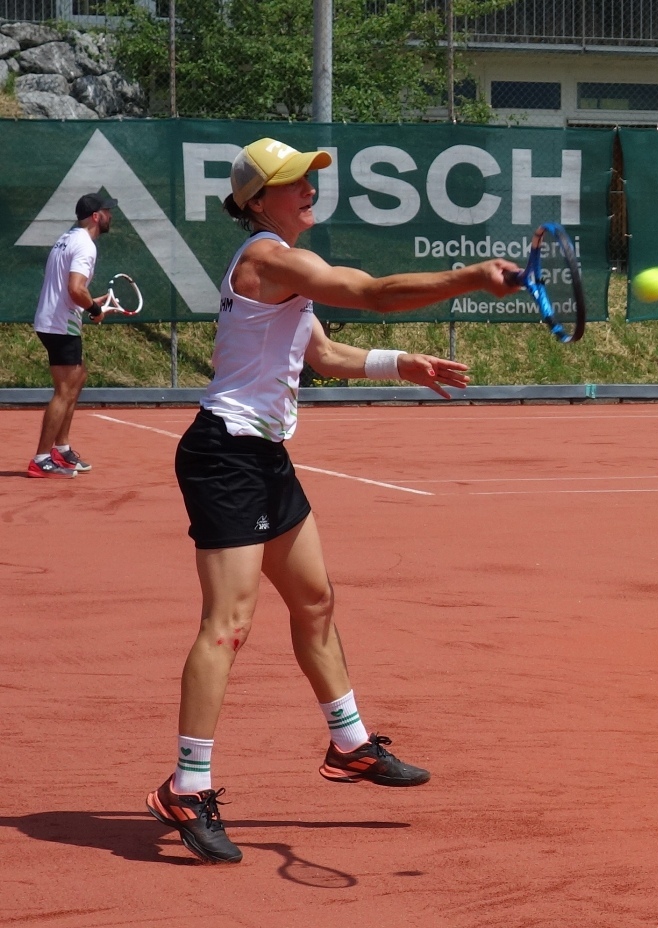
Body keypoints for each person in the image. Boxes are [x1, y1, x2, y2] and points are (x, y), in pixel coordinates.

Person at [145, 137, 521, 864]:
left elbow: (319, 353)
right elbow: (373, 293)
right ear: (258, 200)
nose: (309, 188)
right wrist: (467, 277)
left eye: (309, 176)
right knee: (228, 625)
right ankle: (186, 786)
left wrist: (401, 363)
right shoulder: (269, 258)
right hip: (225, 456)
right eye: (293, 180)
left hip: (263, 456)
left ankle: (349, 745)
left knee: (314, 601)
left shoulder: (285, 268)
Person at [27, 191, 117, 479]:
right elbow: (76, 288)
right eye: (107, 211)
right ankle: (41, 458)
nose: (111, 215)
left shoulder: (67, 238)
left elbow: (71, 288)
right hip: (60, 324)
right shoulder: (85, 246)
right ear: (96, 216)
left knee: (78, 378)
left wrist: (90, 302)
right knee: (65, 390)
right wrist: (95, 309)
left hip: (54, 320)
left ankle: (62, 449)